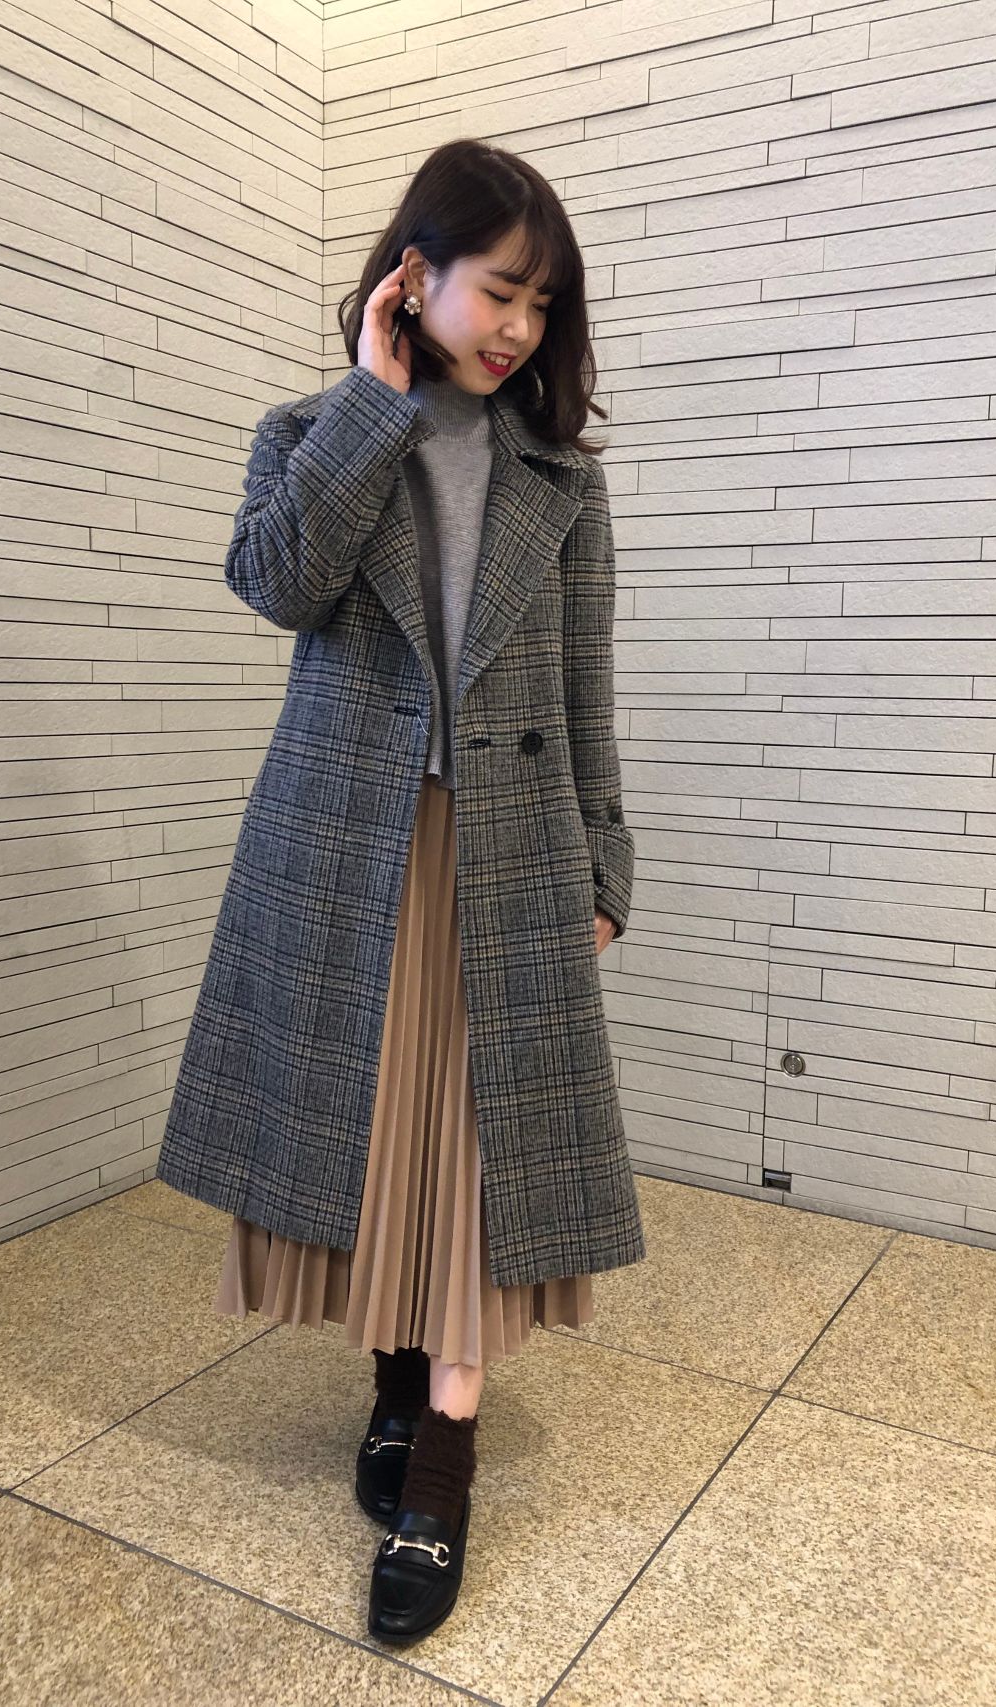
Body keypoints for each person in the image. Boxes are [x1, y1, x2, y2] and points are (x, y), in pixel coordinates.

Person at [155, 137, 643, 1647]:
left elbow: (584, 684)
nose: (520, 329)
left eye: (544, 305)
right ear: (413, 277)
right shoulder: (313, 433)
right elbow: (278, 584)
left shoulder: (562, 480)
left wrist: (606, 858)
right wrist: (374, 400)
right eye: (501, 291)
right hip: (342, 841)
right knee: (375, 1137)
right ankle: (390, 1380)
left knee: (484, 1152)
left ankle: (441, 1464)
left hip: (509, 845)